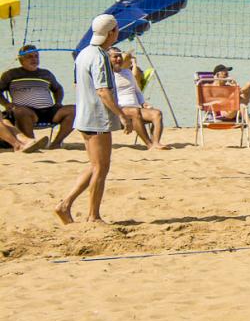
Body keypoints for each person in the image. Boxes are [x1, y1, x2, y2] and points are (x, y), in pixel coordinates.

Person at [55, 15, 133, 225]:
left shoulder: (83, 54)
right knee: (101, 168)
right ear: (111, 33)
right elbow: (103, 91)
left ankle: (65, 205)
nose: (118, 32)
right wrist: (122, 115)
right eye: (117, 29)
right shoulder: (99, 57)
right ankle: (93, 216)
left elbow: (76, 85)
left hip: (84, 116)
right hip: (97, 119)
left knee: (95, 165)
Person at [0, 44, 76, 148]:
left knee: (75, 110)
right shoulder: (11, 74)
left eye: (36, 56)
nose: (34, 59)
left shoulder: (46, 74)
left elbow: (58, 89)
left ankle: (56, 143)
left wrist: (58, 102)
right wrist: (6, 104)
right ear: (21, 60)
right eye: (30, 57)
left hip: (49, 110)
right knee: (19, 111)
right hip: (26, 112)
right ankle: (32, 142)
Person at [109, 47, 166, 149]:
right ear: (108, 59)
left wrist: (143, 102)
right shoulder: (109, 75)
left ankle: (156, 142)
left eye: (119, 56)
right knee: (135, 112)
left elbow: (137, 91)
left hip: (135, 107)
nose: (118, 59)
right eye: (115, 57)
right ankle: (149, 144)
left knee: (157, 113)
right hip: (120, 109)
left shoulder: (127, 72)